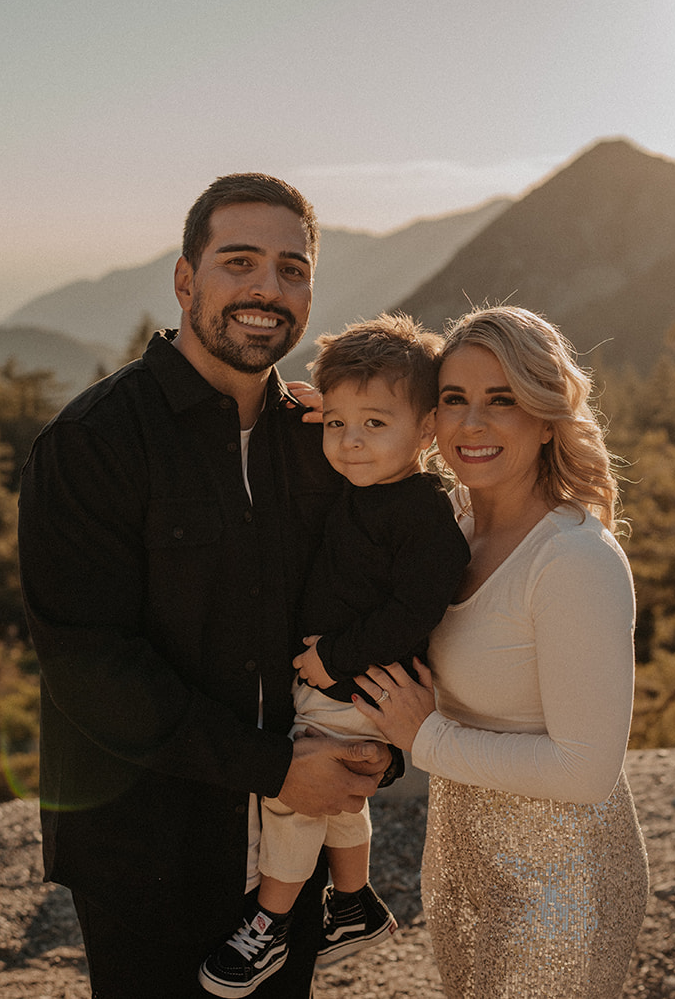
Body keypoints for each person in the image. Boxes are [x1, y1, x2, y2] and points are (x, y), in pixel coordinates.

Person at [17, 173, 396, 998]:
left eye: (292, 269)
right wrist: (272, 766)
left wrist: (379, 743)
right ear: (187, 281)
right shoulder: (93, 442)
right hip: (145, 849)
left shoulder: (316, 443)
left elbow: (365, 592)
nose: (269, 287)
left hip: (283, 854)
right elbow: (90, 663)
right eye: (241, 262)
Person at [353, 305, 649, 997]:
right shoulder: (449, 521)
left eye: (502, 400)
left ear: (548, 416)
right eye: (454, 399)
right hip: (463, 855)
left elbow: (586, 771)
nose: (471, 423)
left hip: (563, 879)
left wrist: (424, 736)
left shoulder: (573, 559)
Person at [199, 314, 471, 996]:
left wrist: (337, 657)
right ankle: (352, 903)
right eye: (336, 425)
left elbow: (417, 606)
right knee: (344, 794)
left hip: (359, 682)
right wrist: (315, 409)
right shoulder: (374, 482)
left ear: (428, 427)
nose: (350, 443)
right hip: (350, 685)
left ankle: (269, 922)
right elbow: (352, 419)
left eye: (374, 425)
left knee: (295, 798)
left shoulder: (420, 511)